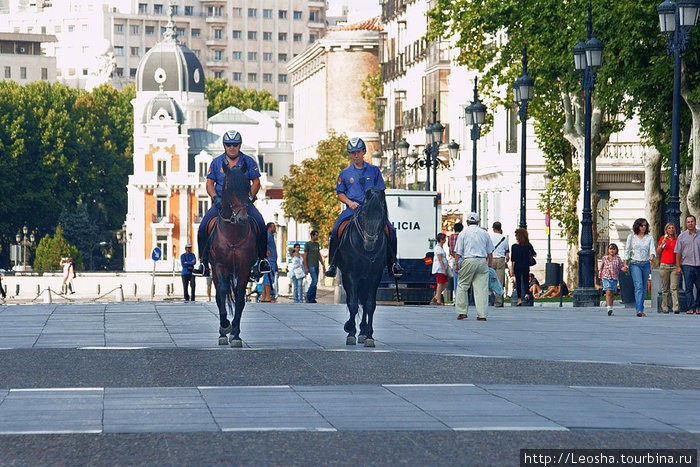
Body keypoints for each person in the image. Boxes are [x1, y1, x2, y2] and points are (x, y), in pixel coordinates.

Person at [193, 130, 271, 278]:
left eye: (235, 144)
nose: (232, 147)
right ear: (224, 145)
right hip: (221, 204)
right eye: (229, 145)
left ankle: (262, 260)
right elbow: (209, 183)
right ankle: (202, 263)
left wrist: (250, 197)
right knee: (202, 227)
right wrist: (215, 197)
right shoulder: (216, 162)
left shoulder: (248, 161)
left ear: (240, 145)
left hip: (243, 204)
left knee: (261, 224)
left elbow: (256, 182)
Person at [324, 137, 403, 279]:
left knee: (391, 230)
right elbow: (339, 193)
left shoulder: (374, 170)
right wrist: (349, 202)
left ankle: (393, 263)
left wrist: (379, 208)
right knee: (335, 230)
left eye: (358, 152)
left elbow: (381, 191)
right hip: (352, 208)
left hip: (372, 212)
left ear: (364, 152)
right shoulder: (345, 173)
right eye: (352, 153)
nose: (355, 155)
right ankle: (333, 264)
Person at [454, 212, 494, 321]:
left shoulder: (463, 233)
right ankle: (482, 314)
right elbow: (490, 251)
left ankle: (462, 312)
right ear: (478, 222)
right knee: (481, 289)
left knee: (462, 285)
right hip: (482, 260)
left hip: (468, 260)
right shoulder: (484, 233)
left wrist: (456, 264)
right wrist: (490, 263)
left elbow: (458, 251)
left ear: (467, 222)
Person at [624, 217, 655, 317]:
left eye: (645, 225)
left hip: (646, 263)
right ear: (637, 226)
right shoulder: (631, 237)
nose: (644, 227)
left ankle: (641, 307)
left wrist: (652, 256)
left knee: (644, 288)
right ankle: (639, 310)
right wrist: (625, 264)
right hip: (635, 263)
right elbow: (627, 250)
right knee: (639, 286)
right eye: (642, 225)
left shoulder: (649, 237)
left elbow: (652, 249)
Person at [675, 214, 700, 314]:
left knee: (699, 287)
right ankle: (691, 308)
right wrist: (678, 266)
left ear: (695, 222)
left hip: (699, 265)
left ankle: (698, 306)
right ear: (686, 224)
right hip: (687, 265)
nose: (690, 223)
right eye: (688, 222)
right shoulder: (682, 237)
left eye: (692, 221)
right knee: (688, 288)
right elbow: (678, 252)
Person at [599, 243, 628, 316]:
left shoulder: (617, 258)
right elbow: (602, 267)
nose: (612, 250)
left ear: (616, 250)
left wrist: (624, 268)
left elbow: (620, 267)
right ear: (608, 250)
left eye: (614, 249)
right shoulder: (605, 258)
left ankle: (611, 308)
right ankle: (608, 308)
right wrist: (600, 275)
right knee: (608, 291)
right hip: (606, 277)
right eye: (610, 249)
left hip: (614, 277)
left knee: (612, 293)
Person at [657, 222, 680, 314]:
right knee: (665, 288)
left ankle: (676, 307)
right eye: (669, 228)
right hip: (664, 265)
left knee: (674, 287)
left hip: (674, 266)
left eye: (673, 228)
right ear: (666, 230)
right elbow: (658, 252)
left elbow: (679, 252)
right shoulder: (663, 239)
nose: (671, 229)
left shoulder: (677, 239)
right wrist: (662, 244)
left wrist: (679, 265)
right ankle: (665, 306)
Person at [510, 228, 536, 306]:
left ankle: (519, 299)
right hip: (525, 265)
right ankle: (527, 294)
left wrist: (512, 269)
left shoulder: (514, 246)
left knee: (518, 282)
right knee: (525, 281)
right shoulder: (528, 245)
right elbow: (534, 254)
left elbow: (513, 259)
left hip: (517, 266)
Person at [489, 222, 509, 307]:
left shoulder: (489, 237)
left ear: (493, 228)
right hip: (501, 259)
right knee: (499, 281)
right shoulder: (504, 238)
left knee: (488, 279)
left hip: (491, 259)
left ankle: (489, 297)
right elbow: (507, 253)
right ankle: (498, 302)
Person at [303, 230, 325, 303]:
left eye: (317, 235)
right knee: (314, 280)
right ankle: (308, 295)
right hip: (311, 265)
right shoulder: (307, 244)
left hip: (316, 265)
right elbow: (305, 256)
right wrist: (306, 267)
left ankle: (312, 298)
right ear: (312, 236)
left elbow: (318, 254)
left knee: (315, 282)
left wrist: (322, 264)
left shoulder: (317, 244)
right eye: (315, 235)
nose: (317, 236)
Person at [431, 233, 449, 305]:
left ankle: (436, 297)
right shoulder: (438, 248)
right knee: (440, 284)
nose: (445, 240)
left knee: (445, 283)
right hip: (440, 269)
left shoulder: (440, 247)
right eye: (444, 239)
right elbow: (440, 260)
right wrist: (444, 270)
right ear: (441, 240)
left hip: (441, 268)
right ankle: (438, 300)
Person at [261, 222, 277, 303]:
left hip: (272, 259)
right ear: (270, 227)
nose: (275, 228)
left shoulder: (271, 235)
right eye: (274, 227)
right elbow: (264, 243)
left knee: (266, 278)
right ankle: (267, 296)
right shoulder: (268, 235)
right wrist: (266, 250)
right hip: (270, 259)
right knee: (269, 278)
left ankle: (263, 296)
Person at [448, 222, 464, 302]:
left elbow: (449, 247)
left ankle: (456, 300)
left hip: (454, 258)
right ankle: (462, 299)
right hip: (462, 258)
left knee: (456, 280)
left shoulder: (450, 237)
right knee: (463, 280)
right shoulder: (462, 236)